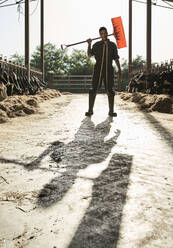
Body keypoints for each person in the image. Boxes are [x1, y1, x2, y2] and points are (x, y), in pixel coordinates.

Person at [85, 26, 121, 117]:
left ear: (107, 33)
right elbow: (89, 55)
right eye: (101, 33)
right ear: (100, 35)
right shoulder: (96, 45)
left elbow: (116, 58)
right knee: (93, 89)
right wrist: (89, 44)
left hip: (109, 70)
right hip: (98, 70)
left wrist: (119, 69)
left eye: (105, 33)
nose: (103, 35)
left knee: (110, 90)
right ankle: (90, 110)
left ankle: (111, 111)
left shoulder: (112, 45)